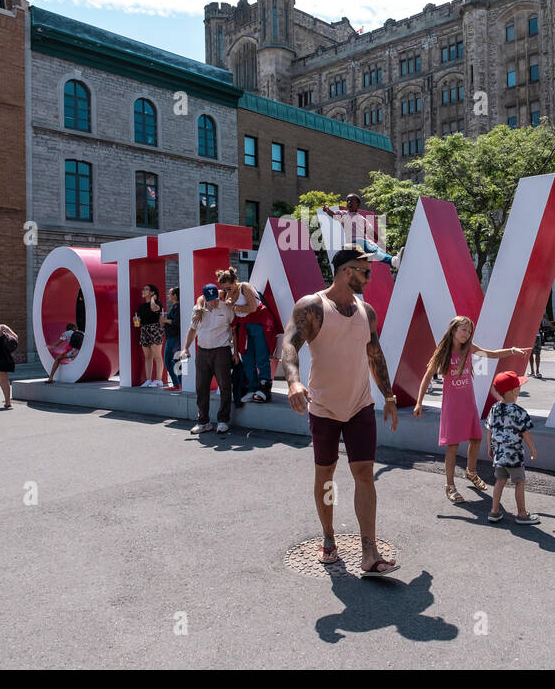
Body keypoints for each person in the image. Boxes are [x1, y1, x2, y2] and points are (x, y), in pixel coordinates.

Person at [282, 244, 401, 577]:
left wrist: (388, 396)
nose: (369, 279)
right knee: (326, 475)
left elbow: (374, 355)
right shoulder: (313, 306)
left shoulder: (368, 312)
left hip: (360, 405)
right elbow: (289, 344)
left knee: (364, 474)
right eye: (366, 272)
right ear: (347, 271)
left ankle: (369, 552)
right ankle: (329, 536)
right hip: (324, 408)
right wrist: (293, 381)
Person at [413, 315, 529, 503]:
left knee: (476, 439)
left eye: (469, 331)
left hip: (468, 403)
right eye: (463, 330)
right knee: (453, 446)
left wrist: (512, 350)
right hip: (452, 406)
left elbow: (490, 354)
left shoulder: (469, 349)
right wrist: (419, 402)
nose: (467, 334)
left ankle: (471, 472)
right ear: (453, 330)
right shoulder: (443, 353)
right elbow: (427, 377)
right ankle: (450, 486)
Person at [179, 283, 237, 434]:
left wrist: (235, 352)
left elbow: (234, 329)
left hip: (222, 351)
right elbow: (192, 330)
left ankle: (223, 420)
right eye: (211, 299)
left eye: (216, 299)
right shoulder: (198, 309)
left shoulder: (226, 308)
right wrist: (185, 348)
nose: (214, 302)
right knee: (201, 388)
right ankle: (204, 422)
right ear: (205, 298)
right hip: (203, 352)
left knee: (224, 386)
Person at [485, 370, 540, 525]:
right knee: (519, 482)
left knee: (500, 481)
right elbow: (525, 433)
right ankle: (522, 514)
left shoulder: (494, 409)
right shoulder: (519, 412)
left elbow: (489, 429)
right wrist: (533, 450)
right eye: (518, 386)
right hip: (514, 456)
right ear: (514, 391)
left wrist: (489, 447)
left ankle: (494, 512)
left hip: (499, 454)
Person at [218, 269, 274, 403]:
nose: (228, 291)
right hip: (243, 328)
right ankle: (252, 388)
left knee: (261, 357)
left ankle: (264, 389)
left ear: (235, 281)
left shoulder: (245, 287)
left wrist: (235, 307)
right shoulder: (228, 295)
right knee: (247, 359)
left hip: (258, 324)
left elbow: (253, 308)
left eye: (229, 287)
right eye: (225, 289)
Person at [320, 194, 400, 269]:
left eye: (351, 201)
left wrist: (381, 243)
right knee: (372, 249)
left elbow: (371, 232)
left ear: (358, 204)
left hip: (363, 242)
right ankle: (394, 261)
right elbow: (333, 214)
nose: (349, 203)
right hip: (354, 242)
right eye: (347, 201)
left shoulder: (362, 219)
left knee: (377, 249)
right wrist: (327, 210)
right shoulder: (343, 214)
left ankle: (394, 260)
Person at [136, 284, 165, 388]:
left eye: (146, 289)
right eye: (143, 289)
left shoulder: (157, 303)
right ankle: (148, 380)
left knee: (157, 356)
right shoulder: (141, 307)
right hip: (144, 330)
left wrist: (152, 299)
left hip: (155, 329)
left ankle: (159, 380)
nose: (143, 290)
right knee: (147, 357)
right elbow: (139, 321)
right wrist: (137, 321)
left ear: (152, 292)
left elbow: (154, 308)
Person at [162, 289, 182, 390]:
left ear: (175, 295)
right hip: (171, 337)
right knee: (172, 361)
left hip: (175, 338)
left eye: (169, 293)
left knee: (174, 361)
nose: (168, 295)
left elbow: (177, 322)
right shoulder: (175, 307)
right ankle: (178, 383)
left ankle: (179, 383)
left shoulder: (178, 307)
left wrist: (166, 320)